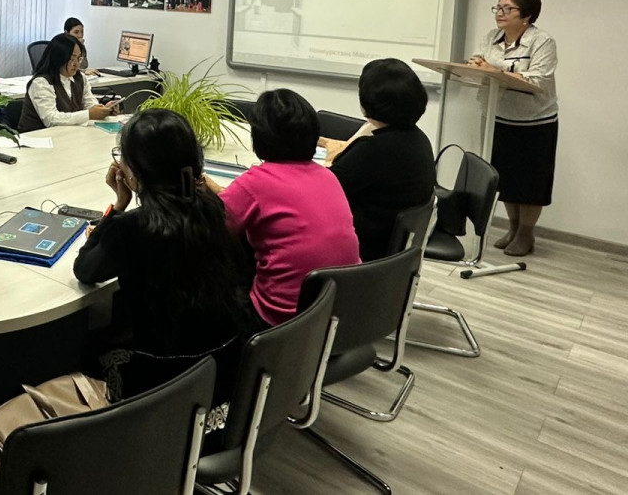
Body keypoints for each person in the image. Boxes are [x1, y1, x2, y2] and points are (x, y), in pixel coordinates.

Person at [74, 109, 254, 399]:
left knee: (85, 349)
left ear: (134, 171)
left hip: (163, 380)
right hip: (225, 368)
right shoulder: (213, 210)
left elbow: (84, 270)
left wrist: (118, 206)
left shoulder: (130, 228)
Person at [208, 89, 360, 327]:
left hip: (282, 321)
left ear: (258, 138)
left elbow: (212, 229)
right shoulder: (328, 176)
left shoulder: (256, 182)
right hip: (341, 313)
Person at [468, 0, 558, 256]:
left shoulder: (542, 41)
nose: (500, 13)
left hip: (534, 121)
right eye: (498, 8)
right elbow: (480, 61)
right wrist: (476, 64)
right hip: (499, 115)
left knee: (530, 182)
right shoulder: (491, 37)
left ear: (527, 15)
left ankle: (526, 233)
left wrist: (495, 70)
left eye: (508, 9)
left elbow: (538, 80)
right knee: (507, 178)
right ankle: (513, 227)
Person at [325, 59, 436, 262]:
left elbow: (322, 189)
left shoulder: (374, 149)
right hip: (392, 256)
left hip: (362, 250)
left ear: (367, 102)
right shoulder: (418, 139)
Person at [18, 34, 118, 133]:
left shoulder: (80, 77)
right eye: (72, 59)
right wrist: (88, 114)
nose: (76, 64)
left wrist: (103, 110)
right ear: (58, 58)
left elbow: (88, 102)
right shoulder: (41, 82)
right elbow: (51, 119)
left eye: (79, 58)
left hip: (67, 134)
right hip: (38, 137)